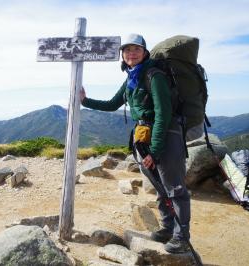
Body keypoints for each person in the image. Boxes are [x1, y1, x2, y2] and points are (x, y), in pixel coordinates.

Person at [80, 33, 191, 254]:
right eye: (127, 50)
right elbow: (113, 104)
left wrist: (156, 150)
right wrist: (84, 100)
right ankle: (168, 228)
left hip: (165, 135)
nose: (131, 53)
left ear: (144, 52)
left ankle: (182, 236)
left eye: (136, 49)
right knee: (160, 188)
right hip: (143, 136)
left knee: (175, 189)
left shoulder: (154, 75)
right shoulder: (131, 78)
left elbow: (163, 113)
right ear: (122, 54)